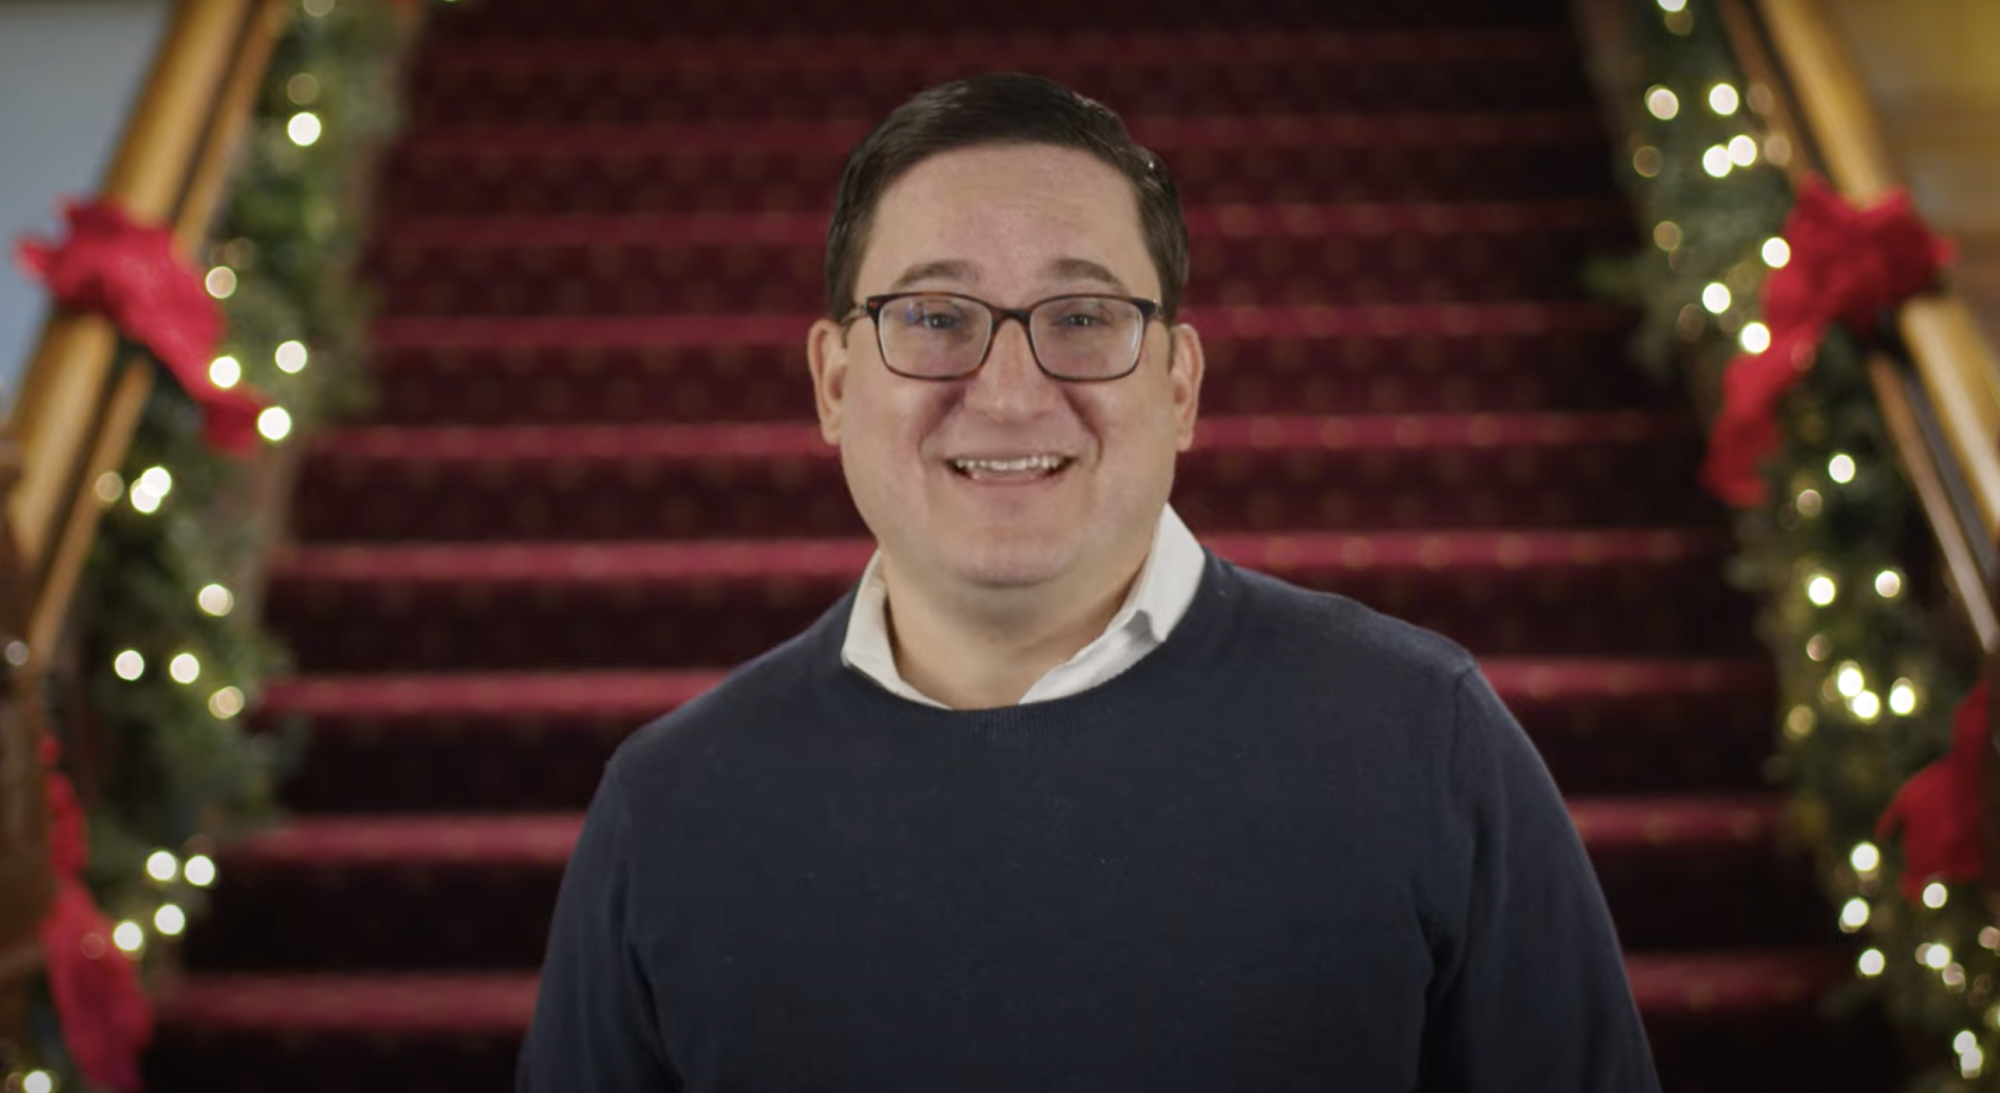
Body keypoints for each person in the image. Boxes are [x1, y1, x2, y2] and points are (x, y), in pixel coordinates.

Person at [517, 72, 1661, 1092]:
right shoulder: (668, 808)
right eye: (931, 316)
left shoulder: (1421, 737)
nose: (1009, 393)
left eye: (1080, 317)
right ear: (830, 382)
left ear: (1177, 382)